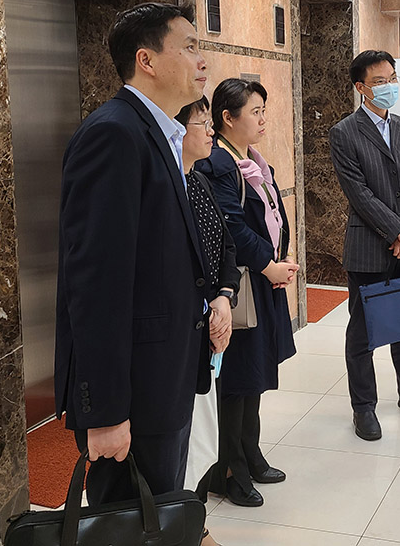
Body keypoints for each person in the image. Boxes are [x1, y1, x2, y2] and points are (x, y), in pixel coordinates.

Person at [54, 2, 231, 505]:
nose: (202, 60)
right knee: (129, 520)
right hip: (134, 388)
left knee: (160, 510)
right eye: (189, 47)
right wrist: (106, 411)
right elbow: (95, 283)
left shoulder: (160, 133)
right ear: (146, 60)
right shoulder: (114, 133)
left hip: (163, 375)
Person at [329, 50, 400, 441]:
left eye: (392, 78)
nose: (389, 86)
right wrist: (397, 231)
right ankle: (363, 407)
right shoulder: (344, 132)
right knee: (363, 332)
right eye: (379, 81)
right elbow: (358, 193)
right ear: (361, 88)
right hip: (369, 247)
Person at [196, 78, 298, 508]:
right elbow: (232, 228)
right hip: (239, 287)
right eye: (254, 112)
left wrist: (280, 258)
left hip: (261, 279)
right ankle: (228, 471)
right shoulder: (217, 165)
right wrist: (268, 264)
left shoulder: (253, 160)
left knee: (253, 375)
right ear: (227, 117)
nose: (262, 119)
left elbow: (272, 215)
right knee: (236, 381)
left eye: (263, 110)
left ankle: (251, 453)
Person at [176, 96, 237, 546]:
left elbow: (226, 246)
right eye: (202, 122)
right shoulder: (164, 187)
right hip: (180, 333)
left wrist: (224, 296)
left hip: (209, 326)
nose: (211, 131)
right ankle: (188, 529)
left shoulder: (198, 181)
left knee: (202, 435)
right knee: (183, 437)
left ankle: (192, 522)